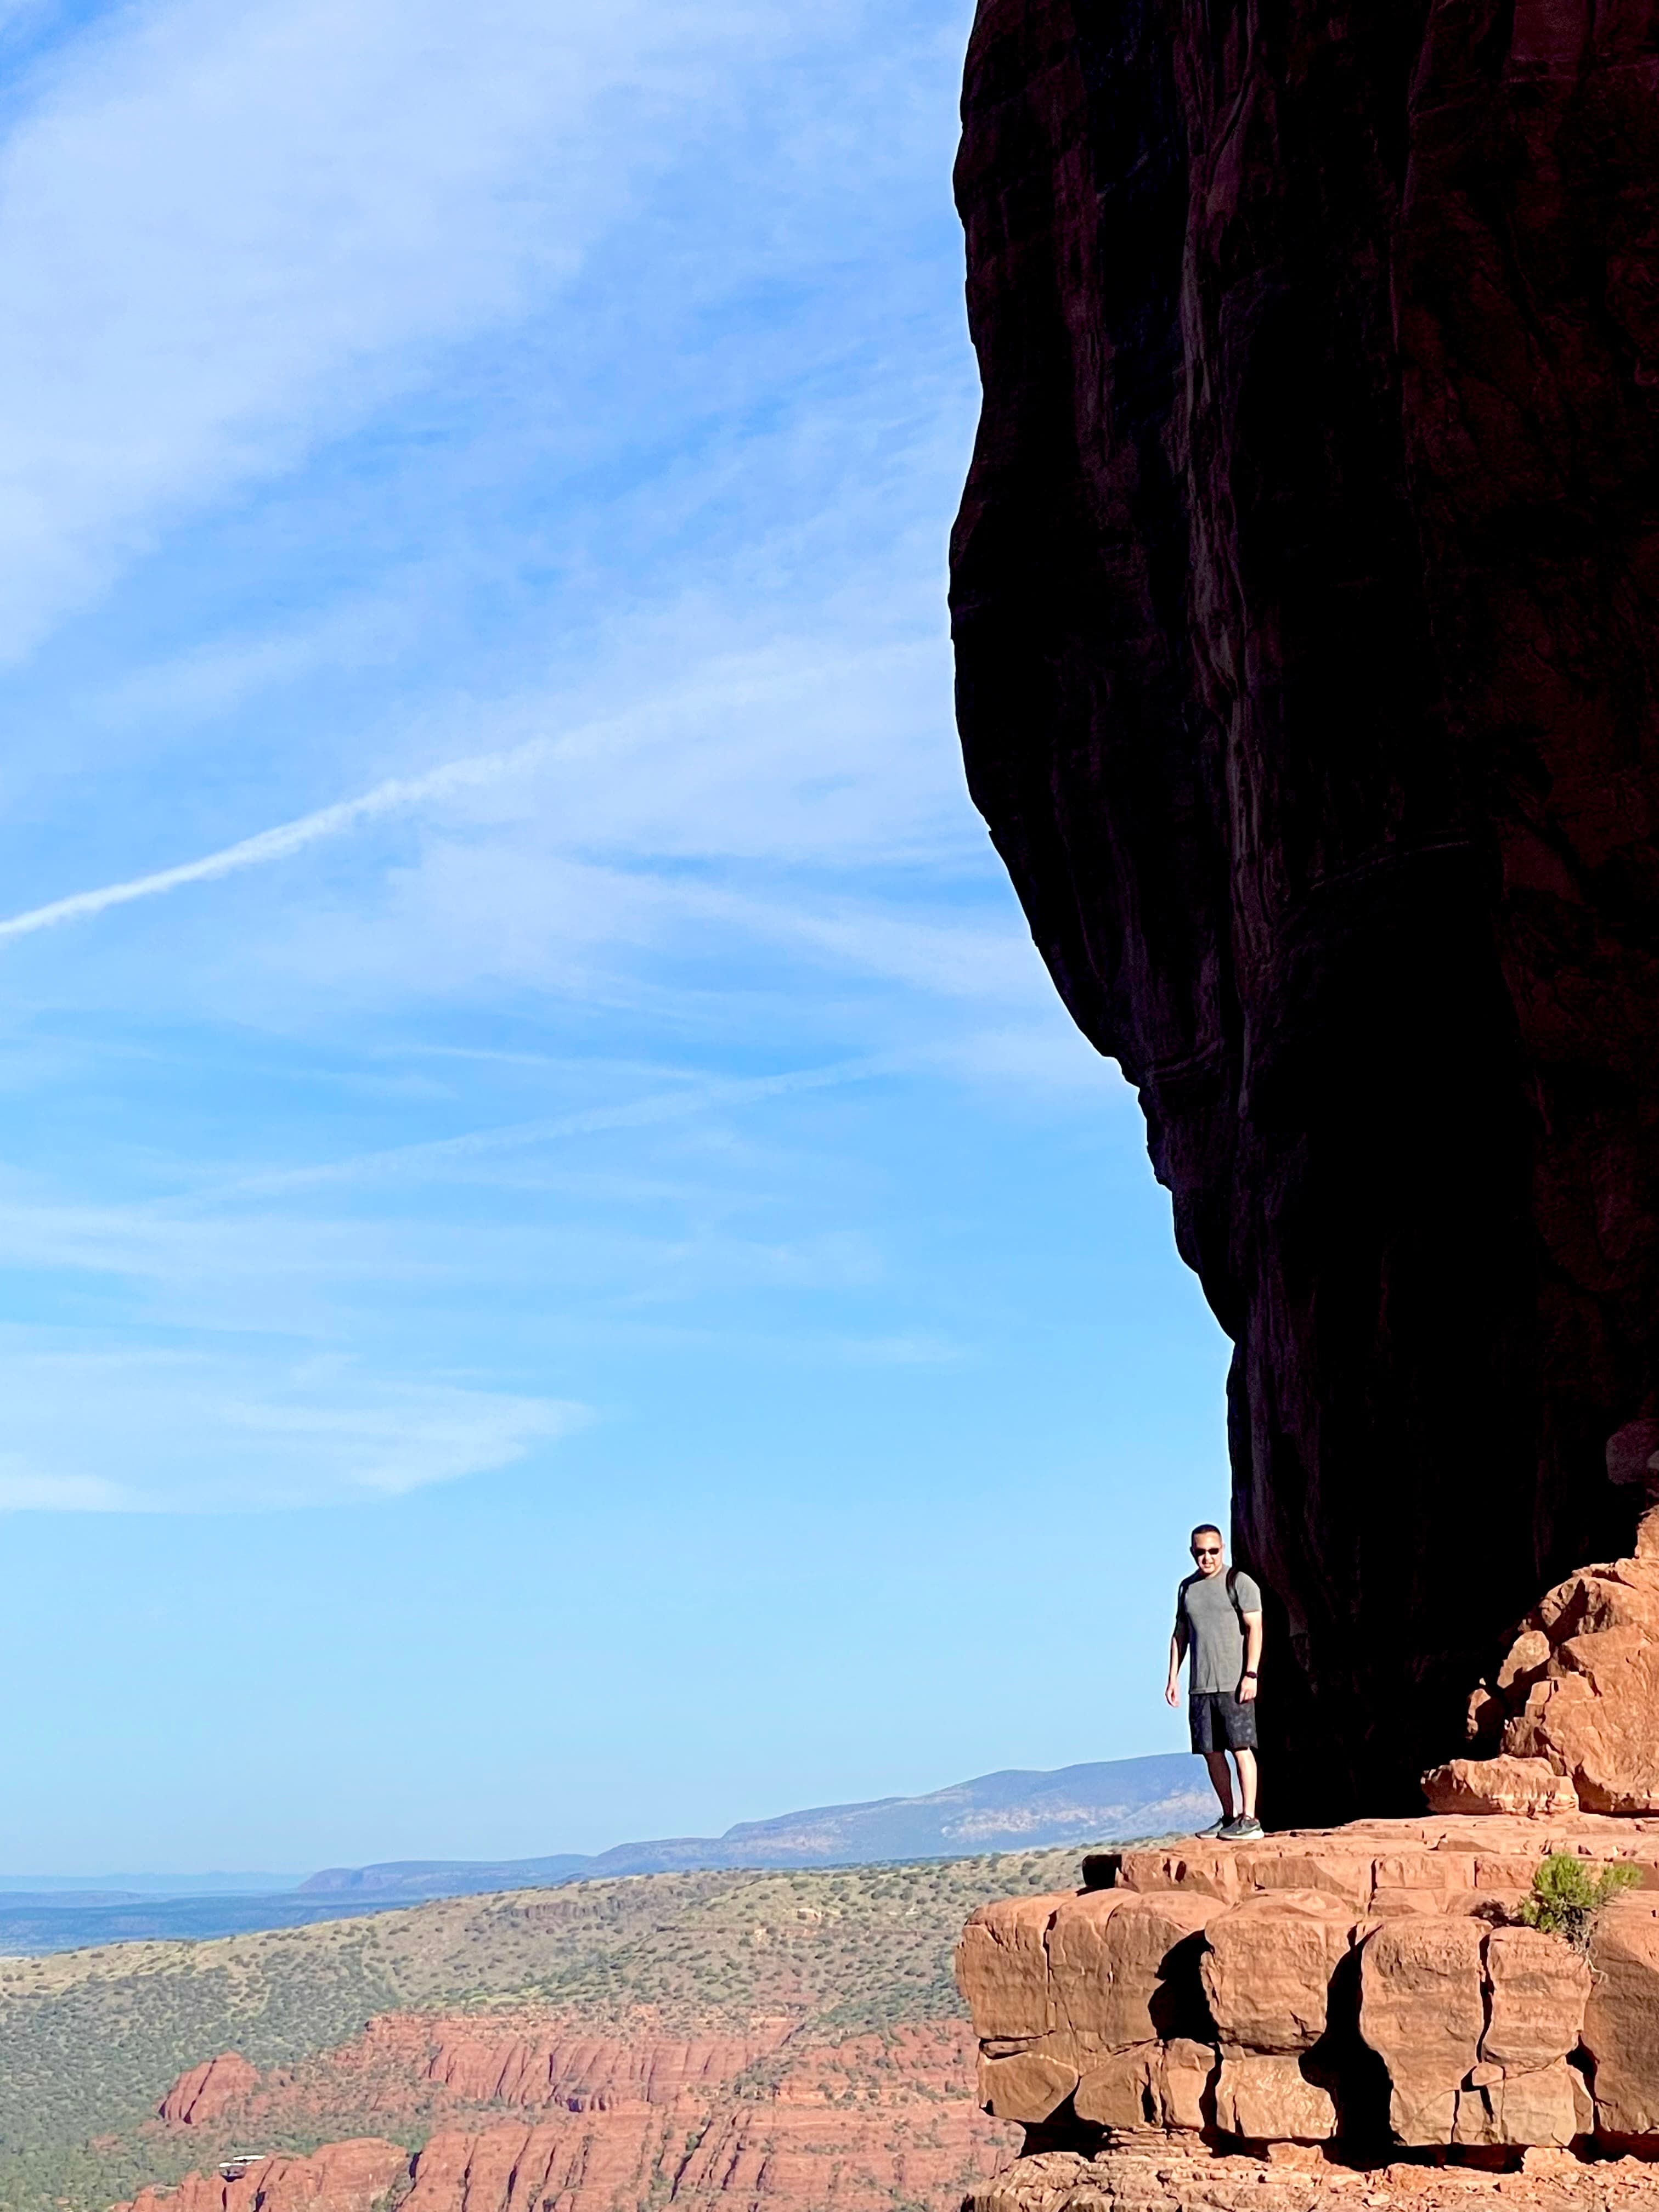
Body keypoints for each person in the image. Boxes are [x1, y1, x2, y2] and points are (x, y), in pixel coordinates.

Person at [1165, 1523, 1264, 1839]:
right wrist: (1172, 1678)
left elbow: (1255, 1629)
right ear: (1192, 1552)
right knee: (1211, 1752)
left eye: (1212, 1551)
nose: (1206, 1558)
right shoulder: (1187, 1588)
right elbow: (1180, 1634)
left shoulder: (1239, 1583)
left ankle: (1250, 1818)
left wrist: (1251, 1673)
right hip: (1201, 1685)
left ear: (1222, 1549)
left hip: (1234, 1683)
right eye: (1200, 1552)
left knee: (1241, 1748)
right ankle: (1228, 1815)